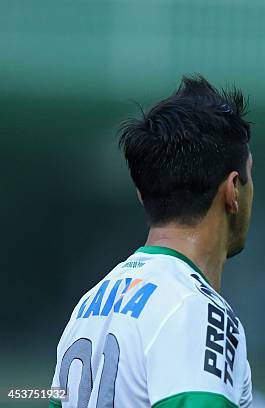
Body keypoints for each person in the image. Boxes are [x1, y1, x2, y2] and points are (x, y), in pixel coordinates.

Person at [50, 75, 254, 407]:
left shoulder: (88, 308)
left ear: (141, 194)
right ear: (233, 190)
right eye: (250, 174)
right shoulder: (195, 309)